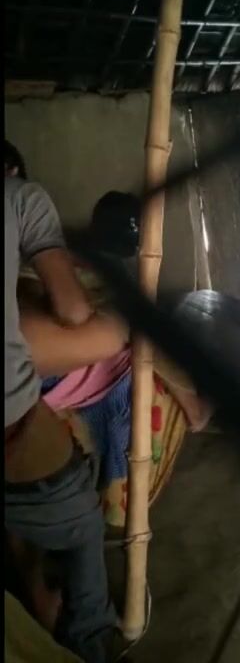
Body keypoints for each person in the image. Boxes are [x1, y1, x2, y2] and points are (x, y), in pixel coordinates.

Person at [4, 153, 129, 661]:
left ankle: (34, 590)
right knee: (80, 523)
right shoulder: (21, 199)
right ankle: (88, 635)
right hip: (16, 440)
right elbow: (76, 311)